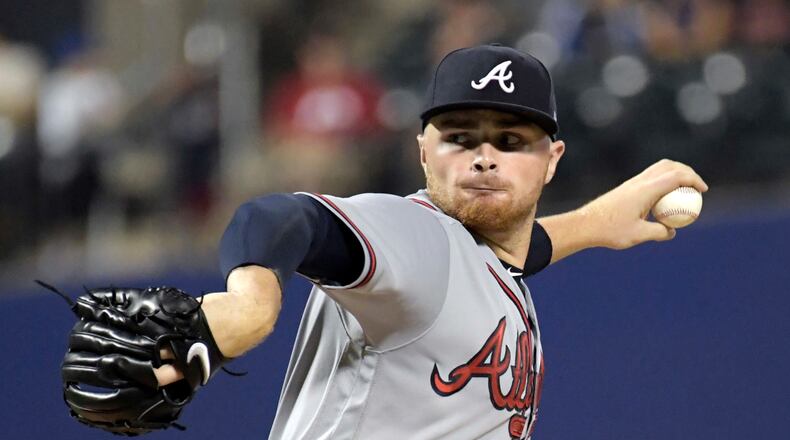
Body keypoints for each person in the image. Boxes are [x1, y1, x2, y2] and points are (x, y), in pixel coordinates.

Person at [148, 44, 708, 439]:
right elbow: (281, 218)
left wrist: (591, 224)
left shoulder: (479, 258)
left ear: (551, 161)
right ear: (422, 152)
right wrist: (248, 303)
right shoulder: (417, 235)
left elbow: (506, 253)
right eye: (459, 138)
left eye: (510, 141)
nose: (483, 157)